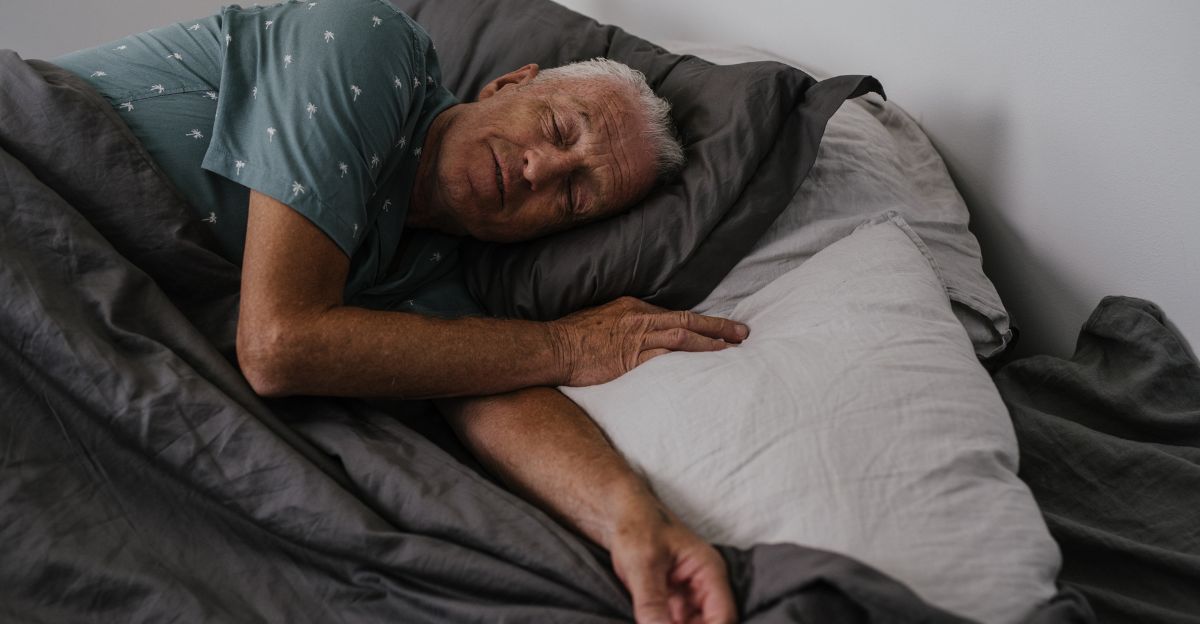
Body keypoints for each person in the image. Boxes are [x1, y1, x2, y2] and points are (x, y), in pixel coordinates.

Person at [53, 1, 746, 622]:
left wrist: (635, 523)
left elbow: (495, 391)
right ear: (509, 84)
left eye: (573, 198)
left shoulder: (432, 275)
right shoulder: (366, 41)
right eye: (559, 128)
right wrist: (565, 347)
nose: (540, 170)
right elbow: (279, 344)